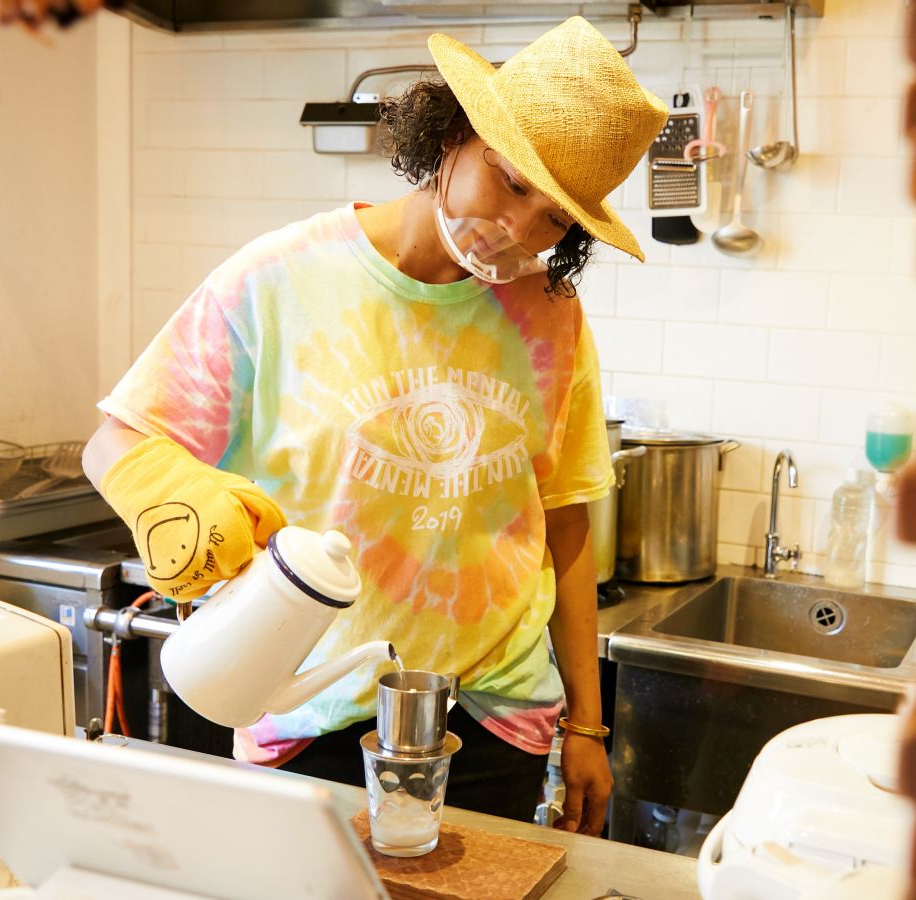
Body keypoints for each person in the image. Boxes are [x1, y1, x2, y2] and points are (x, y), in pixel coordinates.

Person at [82, 16, 667, 836]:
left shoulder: (550, 313)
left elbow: (564, 523)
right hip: (307, 712)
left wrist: (586, 724)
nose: (519, 230)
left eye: (555, 220)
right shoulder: (279, 281)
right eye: (510, 182)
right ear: (454, 132)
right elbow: (115, 440)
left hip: (494, 723)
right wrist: (171, 491)